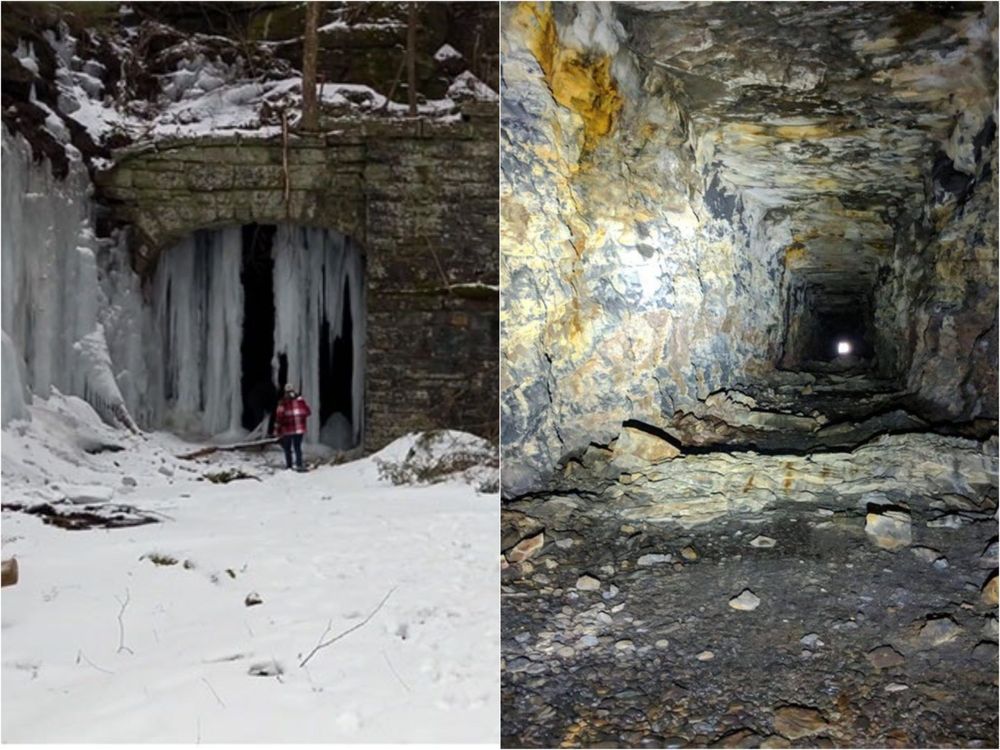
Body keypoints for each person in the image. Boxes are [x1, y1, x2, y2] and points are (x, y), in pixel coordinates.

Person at [272, 384, 311, 471]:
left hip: (287, 430)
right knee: (297, 447)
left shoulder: (282, 402)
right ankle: (299, 464)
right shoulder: (300, 400)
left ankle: (289, 466)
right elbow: (308, 412)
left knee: (287, 448)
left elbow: (279, 417)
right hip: (299, 429)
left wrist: (276, 430)